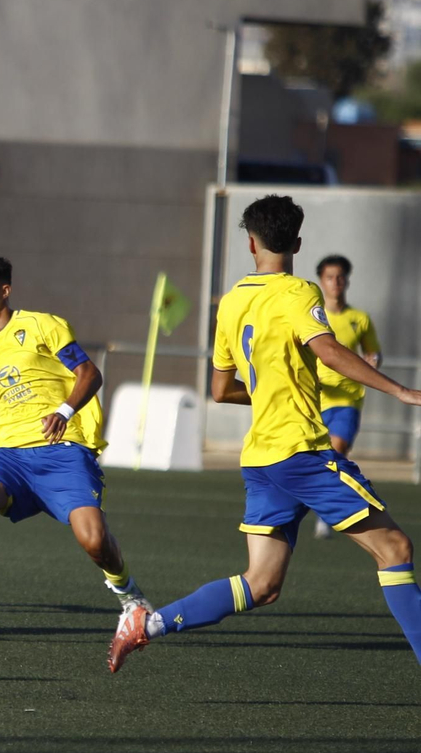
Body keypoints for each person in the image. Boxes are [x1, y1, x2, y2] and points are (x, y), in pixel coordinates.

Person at [109, 195, 421, 673]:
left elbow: (220, 389)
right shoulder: (300, 292)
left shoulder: (232, 301)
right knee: (395, 549)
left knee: (262, 584)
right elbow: (328, 349)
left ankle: (147, 623)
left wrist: (272, 392)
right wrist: (400, 391)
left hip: (261, 458)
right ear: (297, 243)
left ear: (251, 244)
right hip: (300, 452)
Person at [0, 257, 147, 639]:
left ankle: (130, 597)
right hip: (9, 455)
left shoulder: (42, 325)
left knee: (94, 540)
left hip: (62, 448)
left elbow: (89, 374)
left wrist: (64, 411)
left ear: (5, 290)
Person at [310, 254, 382, 538]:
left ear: (347, 281)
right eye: (330, 277)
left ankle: (325, 515)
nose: (335, 283)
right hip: (314, 398)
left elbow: (374, 352)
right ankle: (314, 505)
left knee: (335, 453)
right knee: (312, 459)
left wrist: (373, 361)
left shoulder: (359, 319)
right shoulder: (313, 316)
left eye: (340, 277)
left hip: (347, 400)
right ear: (321, 281)